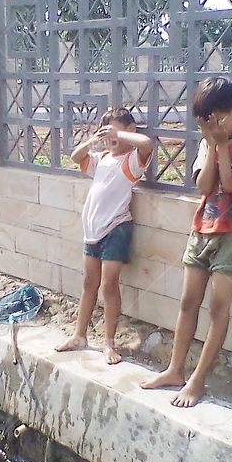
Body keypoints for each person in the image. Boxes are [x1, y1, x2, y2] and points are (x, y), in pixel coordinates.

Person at [141, 77, 232, 406]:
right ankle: (175, 369)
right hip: (203, 228)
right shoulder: (206, 142)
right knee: (187, 303)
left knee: (218, 308)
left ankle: (197, 380)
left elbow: (230, 185)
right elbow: (205, 186)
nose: (213, 126)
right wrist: (211, 144)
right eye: (206, 122)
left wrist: (222, 145)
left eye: (219, 119)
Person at [55, 107, 153, 365]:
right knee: (90, 283)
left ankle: (109, 342)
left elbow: (147, 144)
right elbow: (77, 157)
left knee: (109, 285)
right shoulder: (101, 159)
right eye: (108, 132)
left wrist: (122, 134)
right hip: (93, 231)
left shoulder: (131, 160)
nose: (112, 138)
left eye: (117, 131)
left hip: (116, 228)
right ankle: (80, 335)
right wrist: (94, 140)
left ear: (129, 130)